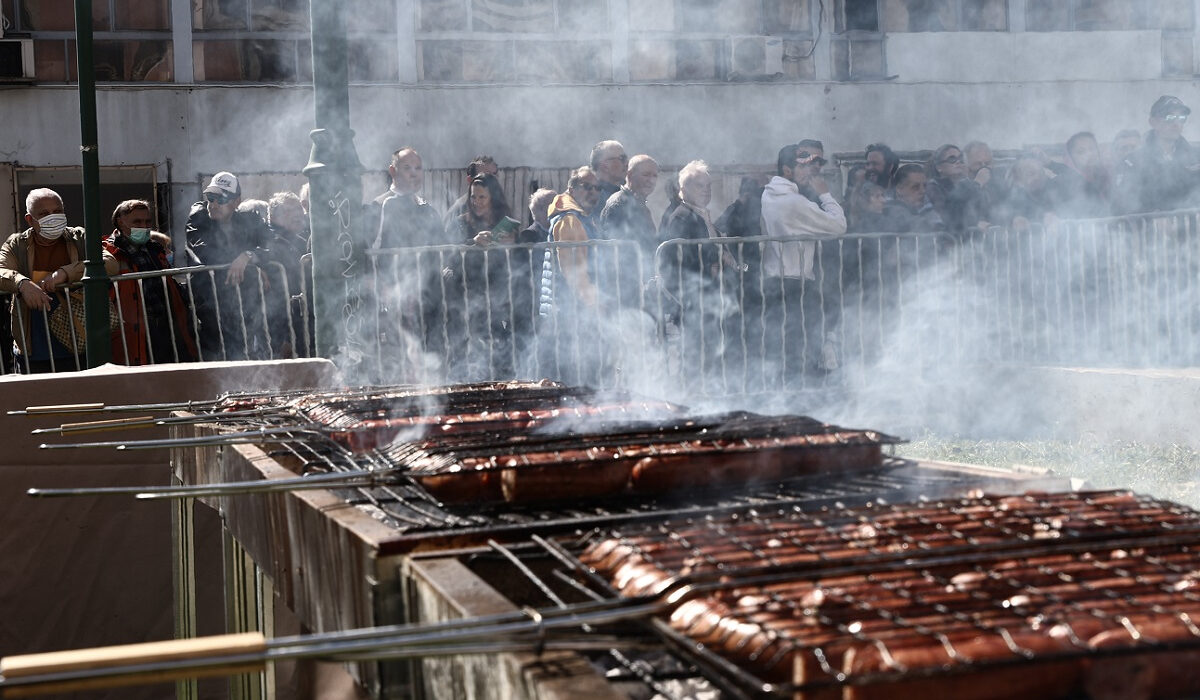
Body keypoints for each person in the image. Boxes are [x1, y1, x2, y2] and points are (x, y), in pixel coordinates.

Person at [0, 188, 118, 373]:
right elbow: (1, 270)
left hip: (80, 339)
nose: (52, 217)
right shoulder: (17, 244)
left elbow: (110, 263)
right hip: (34, 346)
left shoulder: (79, 237)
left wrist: (65, 273)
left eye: (57, 211)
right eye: (44, 214)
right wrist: (22, 284)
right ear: (30, 219)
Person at [760, 141, 846, 386]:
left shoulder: (769, 194)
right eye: (805, 167)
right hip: (795, 284)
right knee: (800, 346)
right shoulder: (794, 202)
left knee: (784, 348)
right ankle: (800, 396)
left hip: (776, 281)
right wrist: (825, 194)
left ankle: (787, 393)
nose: (812, 172)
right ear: (788, 170)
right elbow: (839, 226)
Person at [184, 171, 271, 360]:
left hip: (245, 305)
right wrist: (251, 264)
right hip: (210, 306)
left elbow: (274, 244)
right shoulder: (198, 217)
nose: (213, 204)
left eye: (220, 199)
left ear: (236, 201)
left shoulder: (250, 219)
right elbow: (206, 254)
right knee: (216, 365)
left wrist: (249, 256)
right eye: (210, 197)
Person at [103, 199, 198, 365]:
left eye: (147, 222)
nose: (144, 226)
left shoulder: (155, 249)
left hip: (165, 325)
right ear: (120, 222)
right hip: (134, 330)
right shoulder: (109, 253)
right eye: (137, 222)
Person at [538, 166, 602, 383]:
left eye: (596, 188)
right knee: (573, 378)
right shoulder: (570, 220)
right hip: (569, 311)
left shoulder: (579, 217)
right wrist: (592, 303)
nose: (592, 192)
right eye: (586, 187)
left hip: (564, 309)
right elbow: (573, 270)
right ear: (572, 189)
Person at [1114, 95, 1200, 214]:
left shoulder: (1196, 158)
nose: (1176, 123)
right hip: (1150, 230)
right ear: (1153, 122)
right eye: (1170, 117)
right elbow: (1125, 202)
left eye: (1181, 118)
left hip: (1192, 228)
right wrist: (1153, 217)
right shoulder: (1132, 162)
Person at [599, 154, 659, 308]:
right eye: (646, 174)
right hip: (625, 291)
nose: (651, 180)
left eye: (654, 176)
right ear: (630, 175)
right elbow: (616, 255)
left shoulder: (637, 203)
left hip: (639, 286)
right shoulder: (619, 205)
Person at [262, 191, 310, 357]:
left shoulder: (300, 241)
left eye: (299, 210)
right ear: (275, 216)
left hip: (301, 319)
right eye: (291, 211)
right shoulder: (268, 243)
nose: (299, 215)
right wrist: (282, 336)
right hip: (281, 324)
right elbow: (274, 296)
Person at [925, 144, 990, 233]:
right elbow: (947, 215)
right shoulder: (933, 187)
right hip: (950, 242)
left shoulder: (967, 184)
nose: (958, 162)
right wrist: (977, 183)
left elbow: (983, 211)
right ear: (939, 167)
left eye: (961, 158)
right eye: (952, 159)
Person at [1048, 131, 1111, 219]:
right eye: (1081, 152)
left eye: (1092, 149)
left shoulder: (1108, 177)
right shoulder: (1061, 183)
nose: (1089, 154)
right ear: (1071, 157)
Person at [446, 173, 520, 243]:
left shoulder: (505, 224)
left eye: (482, 197)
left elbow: (522, 253)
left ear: (494, 199)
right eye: (473, 197)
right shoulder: (460, 224)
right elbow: (448, 252)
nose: (476, 202)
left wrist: (512, 243)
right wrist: (473, 242)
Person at [441, 155, 498, 230]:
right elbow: (448, 239)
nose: (493, 180)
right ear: (470, 180)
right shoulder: (461, 209)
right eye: (486, 176)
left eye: (494, 174)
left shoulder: (498, 206)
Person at [590, 140, 628, 206]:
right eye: (622, 158)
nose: (627, 163)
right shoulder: (590, 198)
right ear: (605, 166)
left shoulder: (626, 194)